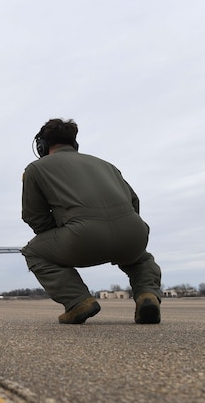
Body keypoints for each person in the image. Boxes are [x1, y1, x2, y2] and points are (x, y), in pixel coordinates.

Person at [21, 118, 162, 324]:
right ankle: (147, 296)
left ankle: (78, 302)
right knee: (142, 259)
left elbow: (34, 216)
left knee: (33, 252)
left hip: (82, 238)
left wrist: (62, 232)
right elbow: (134, 201)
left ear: (41, 146)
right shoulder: (108, 165)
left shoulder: (36, 168)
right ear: (74, 143)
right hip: (134, 234)